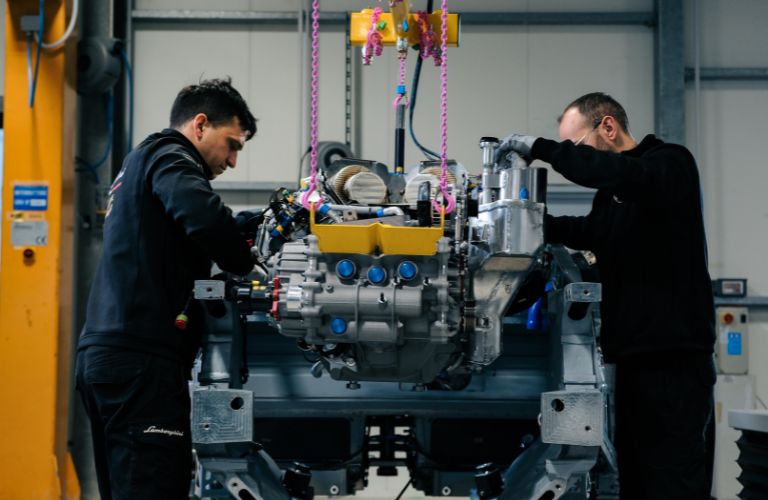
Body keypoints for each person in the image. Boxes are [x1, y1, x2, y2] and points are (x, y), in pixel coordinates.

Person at [495, 92, 716, 499]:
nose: (573, 157)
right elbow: (591, 231)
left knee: (672, 483)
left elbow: (620, 174)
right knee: (637, 482)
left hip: (674, 363)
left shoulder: (668, 164)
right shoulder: (612, 196)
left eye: (577, 146)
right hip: (633, 361)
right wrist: (524, 223)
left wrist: (541, 148)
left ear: (608, 127)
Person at [76, 78, 258, 499]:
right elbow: (204, 218)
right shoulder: (169, 154)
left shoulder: (142, 163)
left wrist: (242, 226)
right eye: (232, 145)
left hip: (115, 358)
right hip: (140, 363)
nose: (232, 161)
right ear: (200, 124)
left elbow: (181, 232)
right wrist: (246, 262)